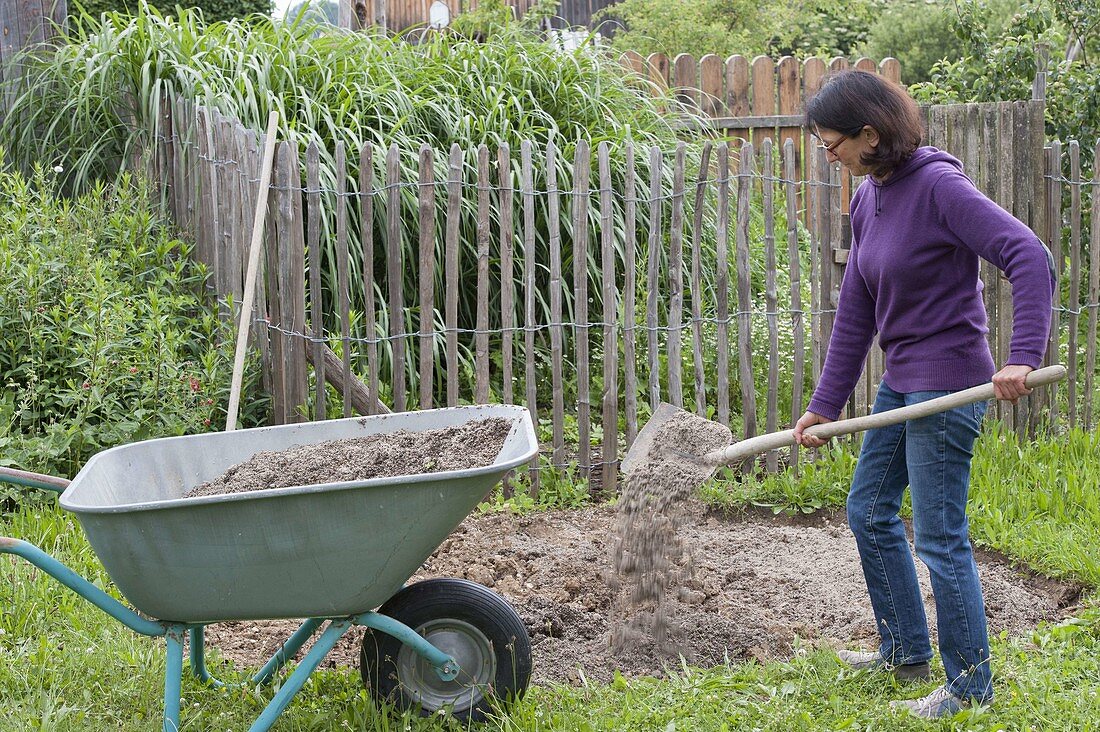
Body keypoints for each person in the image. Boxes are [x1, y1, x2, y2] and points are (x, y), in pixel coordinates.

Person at [792, 70, 1055, 720]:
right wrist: (826, 404)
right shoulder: (868, 198)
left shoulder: (938, 186)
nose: (828, 156)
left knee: (939, 536)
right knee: (870, 510)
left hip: (950, 380)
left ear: (871, 135)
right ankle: (905, 650)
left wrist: (1023, 356)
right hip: (902, 380)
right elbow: (856, 308)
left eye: (833, 144)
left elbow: (1027, 254)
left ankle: (970, 687)